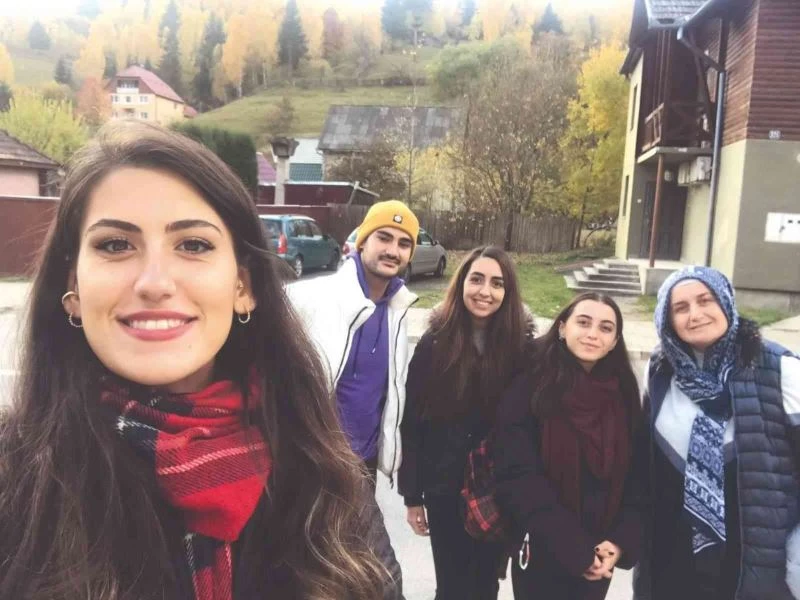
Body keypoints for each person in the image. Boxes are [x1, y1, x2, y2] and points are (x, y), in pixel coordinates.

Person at [0, 122, 402, 600]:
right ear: (73, 286)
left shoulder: (324, 477)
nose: (154, 283)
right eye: (115, 245)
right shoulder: (16, 480)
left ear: (243, 286)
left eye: (193, 245)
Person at [633, 266, 800, 600]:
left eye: (705, 300)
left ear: (725, 302)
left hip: (753, 564)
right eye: (680, 308)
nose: (695, 314)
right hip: (671, 560)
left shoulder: (780, 368)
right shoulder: (661, 370)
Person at [398, 246, 535, 600]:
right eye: (476, 279)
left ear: (508, 292)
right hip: (444, 488)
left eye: (497, 283)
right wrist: (413, 496)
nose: (485, 291)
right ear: (461, 284)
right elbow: (412, 423)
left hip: (496, 489)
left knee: (485, 586)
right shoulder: (434, 344)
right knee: (451, 587)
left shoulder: (522, 349)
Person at [494, 292, 644, 599]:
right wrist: (573, 549)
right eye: (583, 322)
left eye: (605, 328)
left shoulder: (623, 393)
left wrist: (619, 542)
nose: (593, 334)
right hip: (543, 547)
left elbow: (637, 477)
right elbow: (517, 474)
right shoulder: (530, 383)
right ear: (563, 328)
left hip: (600, 552)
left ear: (615, 341)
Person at [287, 200, 419, 489]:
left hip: (365, 464)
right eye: (384, 238)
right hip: (314, 462)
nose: (392, 250)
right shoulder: (315, 297)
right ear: (363, 242)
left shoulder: (397, 311)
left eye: (403, 244)